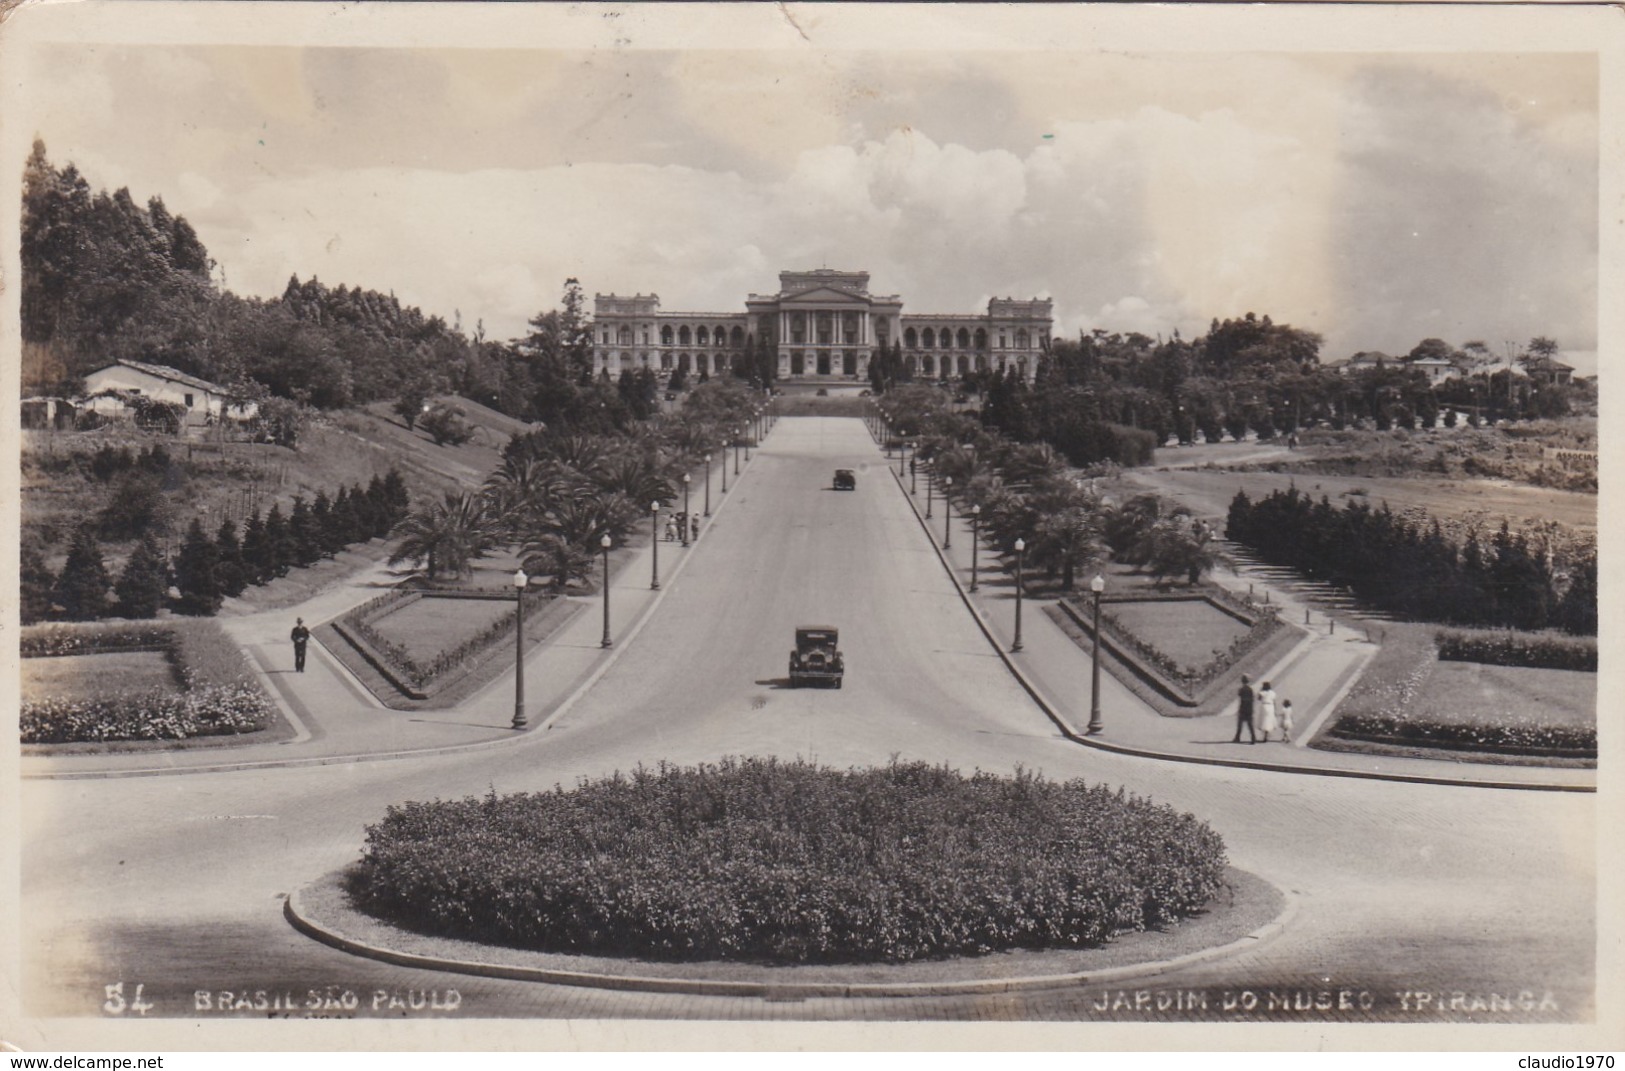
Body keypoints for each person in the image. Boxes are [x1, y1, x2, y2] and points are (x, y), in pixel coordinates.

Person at [1232, 674, 1257, 744]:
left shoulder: (1241, 689)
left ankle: (1237, 737)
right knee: (1250, 725)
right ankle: (1253, 738)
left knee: (1240, 724)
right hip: (1249, 708)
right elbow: (1252, 699)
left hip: (1243, 708)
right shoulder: (1250, 689)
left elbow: (1240, 697)